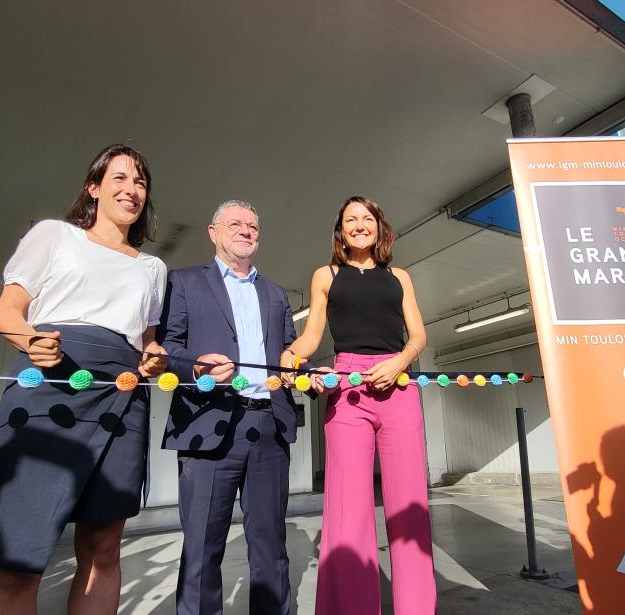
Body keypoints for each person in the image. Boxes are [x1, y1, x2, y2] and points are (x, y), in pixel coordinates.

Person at [0, 143, 169, 615]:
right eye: (119, 178)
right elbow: (8, 309)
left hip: (122, 397)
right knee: (18, 552)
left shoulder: (153, 268)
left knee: (104, 544)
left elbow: (146, 339)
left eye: (140, 182)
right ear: (93, 187)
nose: (131, 189)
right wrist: (29, 340)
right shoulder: (53, 235)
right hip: (49, 386)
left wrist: (153, 358)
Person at [280, 196, 437, 614]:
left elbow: (418, 336)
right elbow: (312, 336)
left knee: (409, 510)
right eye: (351, 219)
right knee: (348, 510)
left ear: (379, 227)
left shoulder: (399, 277)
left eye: (367, 218)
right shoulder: (325, 275)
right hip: (347, 389)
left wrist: (400, 361)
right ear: (341, 231)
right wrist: (291, 355)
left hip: (398, 384)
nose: (359, 225)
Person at [159, 200, 298, 615]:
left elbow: (288, 351)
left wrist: (305, 368)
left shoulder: (276, 293)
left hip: (269, 427)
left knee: (271, 545)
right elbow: (168, 347)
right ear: (213, 231)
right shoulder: (183, 282)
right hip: (207, 423)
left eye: (253, 225)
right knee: (202, 547)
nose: (245, 230)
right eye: (235, 223)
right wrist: (196, 365)